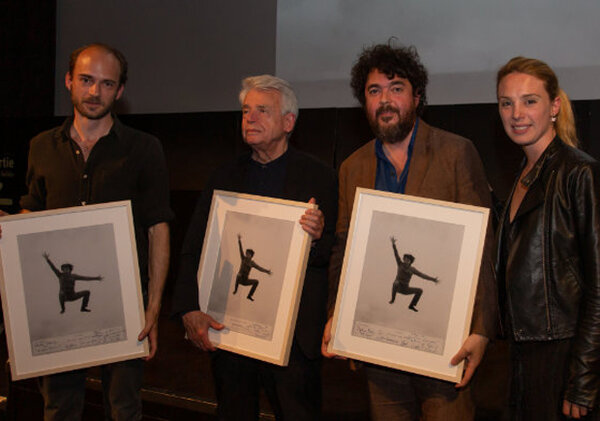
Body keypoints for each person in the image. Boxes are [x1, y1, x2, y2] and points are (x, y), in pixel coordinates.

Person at [322, 43, 496, 420]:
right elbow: (342, 250)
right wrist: (338, 312)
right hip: (377, 345)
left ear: (416, 97)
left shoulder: (456, 153)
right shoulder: (352, 168)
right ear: (364, 102)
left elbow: (482, 246)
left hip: (445, 343)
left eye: (396, 88)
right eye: (374, 91)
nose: (385, 100)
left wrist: (481, 329)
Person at [17, 43, 173, 420]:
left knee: (124, 409)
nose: (94, 92)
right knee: (59, 408)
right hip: (57, 321)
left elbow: (158, 228)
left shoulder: (143, 148)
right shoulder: (41, 147)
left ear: (119, 91)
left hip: (123, 309)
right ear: (69, 80)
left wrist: (151, 309)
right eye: (86, 80)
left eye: (106, 84)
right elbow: (31, 216)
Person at [172, 75, 337, 420]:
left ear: (289, 121)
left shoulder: (320, 176)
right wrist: (188, 307)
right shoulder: (223, 176)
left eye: (263, 110)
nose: (250, 118)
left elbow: (329, 257)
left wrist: (319, 236)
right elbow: (194, 247)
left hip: (293, 341)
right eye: (246, 111)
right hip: (231, 333)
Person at [495, 56, 600, 421]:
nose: (516, 113)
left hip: (564, 358)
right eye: (506, 103)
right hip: (524, 355)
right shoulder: (522, 177)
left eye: (530, 100)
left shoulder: (580, 173)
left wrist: (583, 379)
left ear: (554, 106)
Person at [389, 237, 438, 311]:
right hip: (398, 287)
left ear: (410, 262)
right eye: (404, 259)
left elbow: (422, 275)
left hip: (405, 289)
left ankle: (411, 305)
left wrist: (433, 279)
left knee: (420, 290)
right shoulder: (400, 264)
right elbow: (396, 254)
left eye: (407, 260)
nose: (405, 261)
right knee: (395, 283)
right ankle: (393, 299)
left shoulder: (412, 269)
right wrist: (393, 244)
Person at [233, 234, 272, 301]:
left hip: (245, 280)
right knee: (238, 275)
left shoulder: (252, 263)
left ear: (251, 256)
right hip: (239, 279)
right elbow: (240, 250)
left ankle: (249, 295)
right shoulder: (243, 258)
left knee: (256, 281)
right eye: (246, 254)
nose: (246, 255)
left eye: (248, 254)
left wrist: (267, 271)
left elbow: (260, 268)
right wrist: (239, 240)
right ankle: (235, 290)